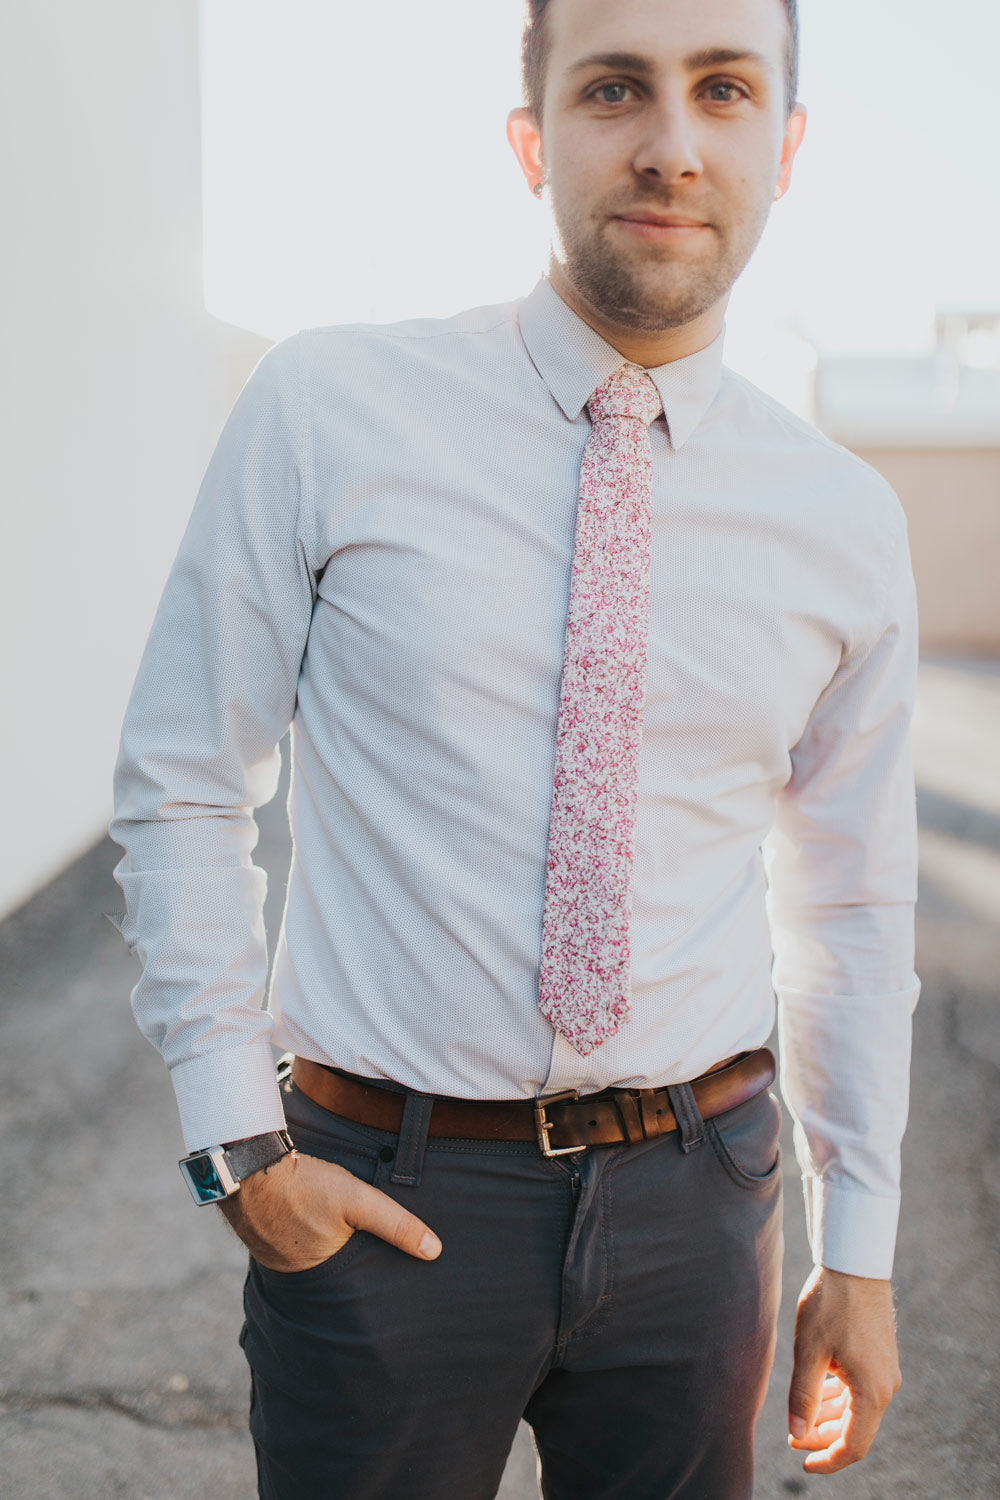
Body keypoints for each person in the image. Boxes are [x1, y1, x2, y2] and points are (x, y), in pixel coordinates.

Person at [109, 0, 919, 1494]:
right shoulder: (330, 407)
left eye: (724, 90)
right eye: (618, 87)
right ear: (534, 135)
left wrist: (854, 1252)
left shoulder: (845, 522)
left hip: (701, 1212)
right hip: (386, 1199)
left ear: (785, 144)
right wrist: (238, 1147)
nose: (672, 145)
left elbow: (854, 910)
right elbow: (181, 783)